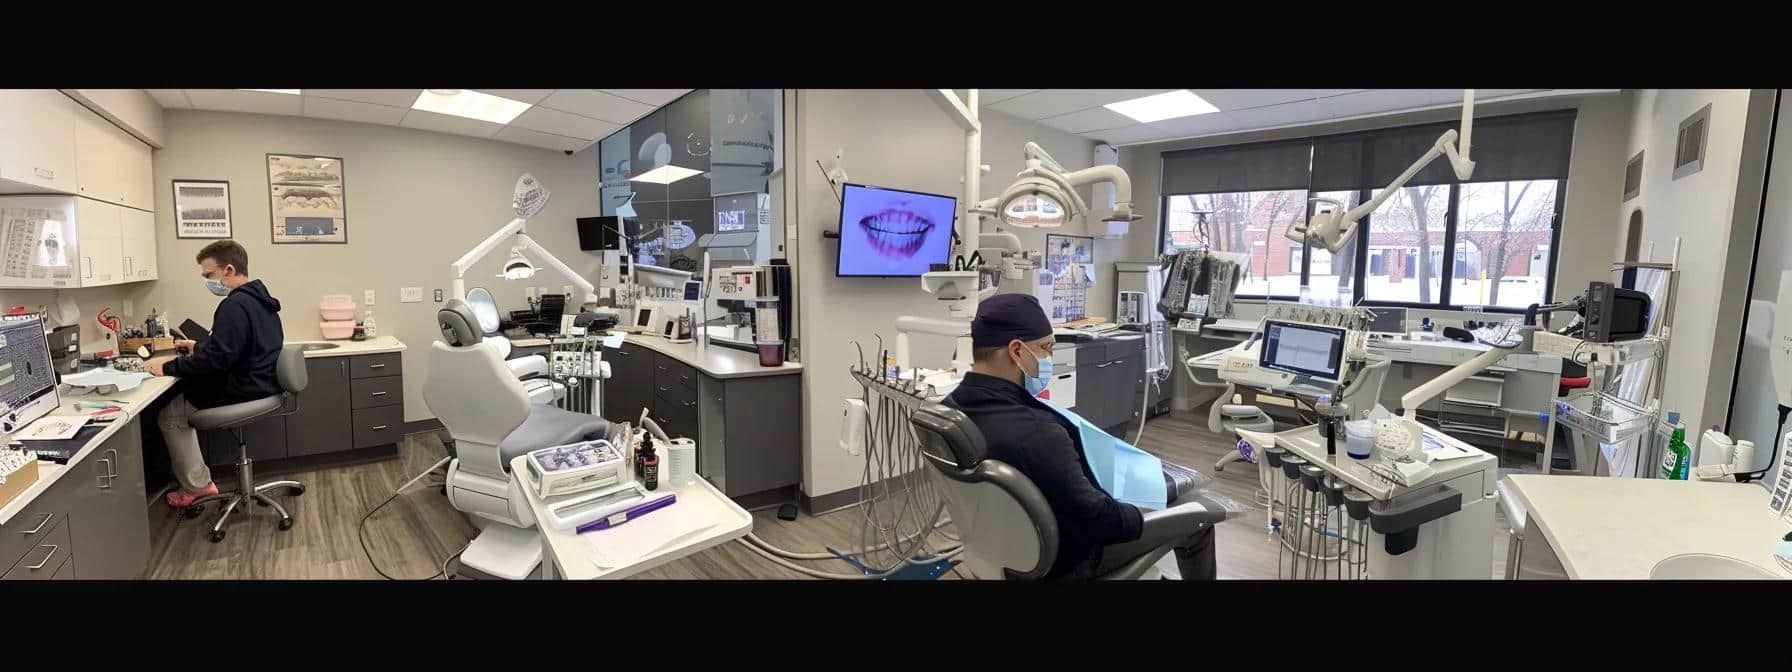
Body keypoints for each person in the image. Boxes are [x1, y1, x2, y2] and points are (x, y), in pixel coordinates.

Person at [944, 293, 1216, 580]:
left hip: (1001, 550)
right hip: (1068, 558)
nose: (1049, 357)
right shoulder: (1036, 431)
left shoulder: (952, 409)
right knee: (1199, 515)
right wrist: (1139, 512)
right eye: (1046, 348)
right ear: (1016, 351)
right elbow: (1096, 519)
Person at [147, 240, 285, 508]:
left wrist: (166, 367)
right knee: (183, 394)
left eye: (209, 275)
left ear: (229, 270)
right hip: (262, 384)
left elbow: (217, 361)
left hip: (244, 388)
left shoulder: (234, 306)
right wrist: (198, 347)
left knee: (171, 412)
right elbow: (239, 347)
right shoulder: (261, 301)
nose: (208, 281)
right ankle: (195, 481)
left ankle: (197, 487)